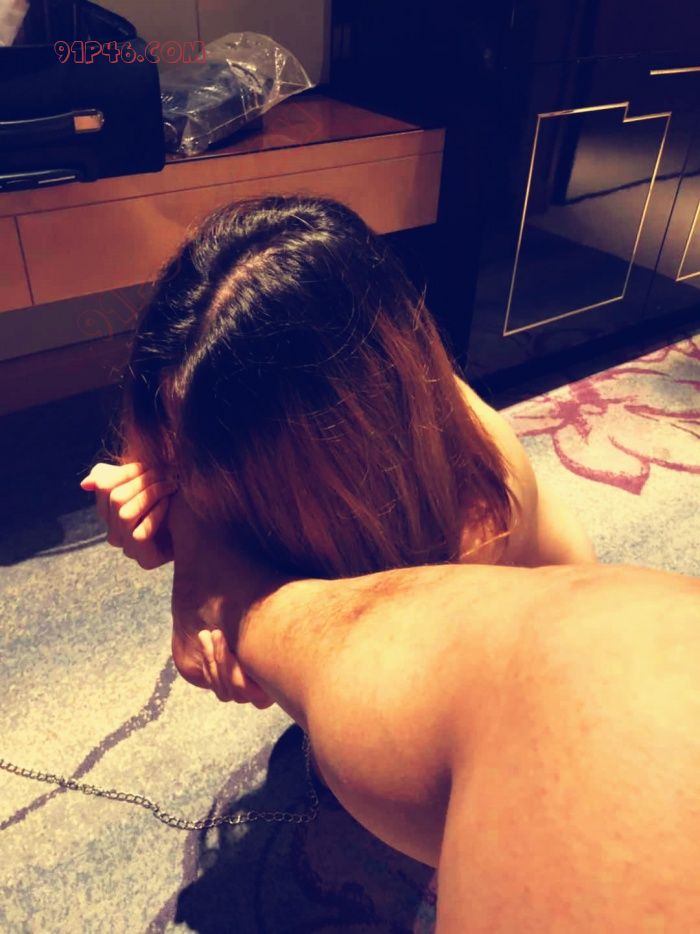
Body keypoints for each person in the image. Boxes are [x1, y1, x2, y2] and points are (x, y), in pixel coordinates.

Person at [81, 192, 594, 698]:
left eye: (207, 462)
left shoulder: (475, 535)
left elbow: (372, 701)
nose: (183, 474)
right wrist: (166, 514)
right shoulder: (391, 404)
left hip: (541, 677)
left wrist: (245, 623)